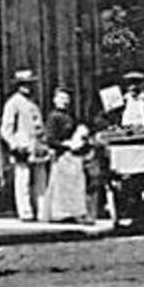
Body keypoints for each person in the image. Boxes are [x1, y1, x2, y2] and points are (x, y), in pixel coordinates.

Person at [103, 71, 144, 231]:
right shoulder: (120, 103)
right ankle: (134, 216)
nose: (133, 87)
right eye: (130, 83)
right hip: (126, 149)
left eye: (136, 83)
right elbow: (107, 120)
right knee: (129, 184)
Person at [0, 70, 50, 222]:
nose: (27, 87)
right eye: (24, 84)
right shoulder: (13, 103)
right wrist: (14, 145)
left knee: (40, 181)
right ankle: (25, 212)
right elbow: (6, 128)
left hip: (38, 147)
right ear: (18, 86)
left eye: (29, 84)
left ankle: (42, 211)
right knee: (23, 180)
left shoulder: (33, 103)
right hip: (23, 146)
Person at [44, 90, 90, 223]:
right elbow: (51, 139)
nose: (64, 101)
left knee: (75, 185)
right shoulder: (54, 117)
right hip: (62, 156)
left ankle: (75, 212)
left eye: (66, 98)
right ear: (54, 100)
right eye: (61, 98)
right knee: (61, 187)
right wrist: (66, 145)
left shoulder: (71, 116)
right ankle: (61, 213)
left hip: (74, 155)